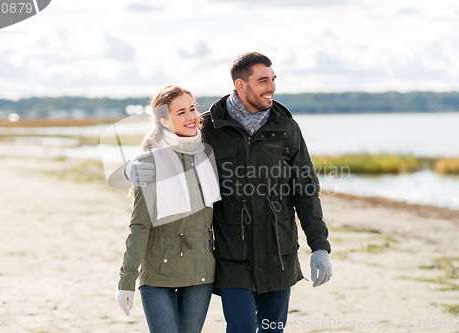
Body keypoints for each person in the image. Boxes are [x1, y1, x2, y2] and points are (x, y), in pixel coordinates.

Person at [126, 53, 332, 333]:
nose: (271, 87)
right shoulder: (209, 127)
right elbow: (168, 146)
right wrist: (134, 164)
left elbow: (306, 191)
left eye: (273, 79)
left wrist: (319, 246)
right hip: (232, 256)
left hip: (279, 255)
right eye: (263, 81)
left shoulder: (286, 129)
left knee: (272, 330)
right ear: (240, 84)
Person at [116, 85, 221, 333]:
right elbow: (139, 227)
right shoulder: (150, 163)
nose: (191, 117)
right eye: (181, 112)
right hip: (158, 274)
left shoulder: (208, 155)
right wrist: (126, 280)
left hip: (201, 271)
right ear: (163, 120)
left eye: (193, 109)